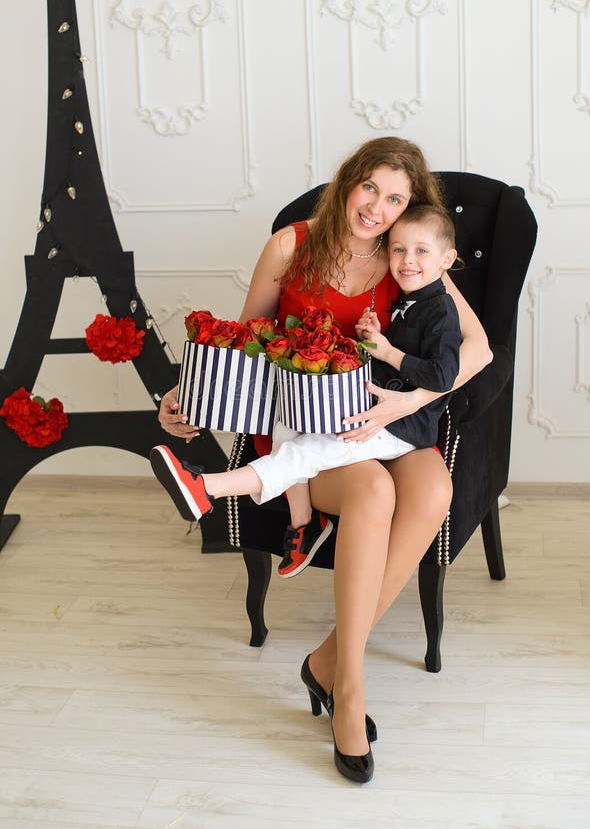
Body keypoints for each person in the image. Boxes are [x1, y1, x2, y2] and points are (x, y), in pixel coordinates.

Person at [155, 137, 492, 783]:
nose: (378, 208)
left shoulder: (409, 255)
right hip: (308, 435)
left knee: (432, 493)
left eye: (396, 199)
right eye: (371, 188)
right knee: (372, 493)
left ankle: (328, 661)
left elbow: (476, 350)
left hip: (386, 420)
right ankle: (352, 693)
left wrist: (404, 404)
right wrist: (183, 394)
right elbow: (245, 338)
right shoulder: (292, 244)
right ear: (349, 180)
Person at [150, 205, 462, 586]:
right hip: (367, 402)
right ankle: (305, 524)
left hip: (399, 426)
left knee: (305, 453)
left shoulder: (440, 305)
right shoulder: (407, 297)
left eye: (420, 252)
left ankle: (207, 487)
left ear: (446, 259)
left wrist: (388, 353)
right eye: (399, 250)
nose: (407, 260)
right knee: (288, 421)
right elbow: (250, 332)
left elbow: (444, 373)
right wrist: (376, 333)